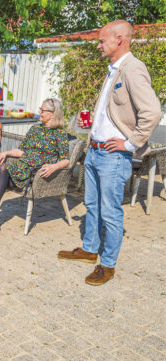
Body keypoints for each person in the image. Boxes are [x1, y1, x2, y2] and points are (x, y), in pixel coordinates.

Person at [58, 20, 161, 286]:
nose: (99, 44)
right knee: (92, 205)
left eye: (103, 40)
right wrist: (92, 126)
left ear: (120, 40)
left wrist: (130, 144)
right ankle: (90, 249)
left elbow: (152, 112)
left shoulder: (133, 69)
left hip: (113, 156)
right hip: (95, 151)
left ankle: (108, 264)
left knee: (111, 211)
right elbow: (113, 112)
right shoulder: (113, 70)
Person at [0, 98, 70, 232]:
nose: (39, 112)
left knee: (0, 173)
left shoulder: (60, 134)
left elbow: (66, 160)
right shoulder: (35, 129)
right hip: (21, 167)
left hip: (36, 174)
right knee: (1, 169)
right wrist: (5, 153)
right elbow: (21, 151)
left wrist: (54, 167)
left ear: (53, 114)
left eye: (42, 110)